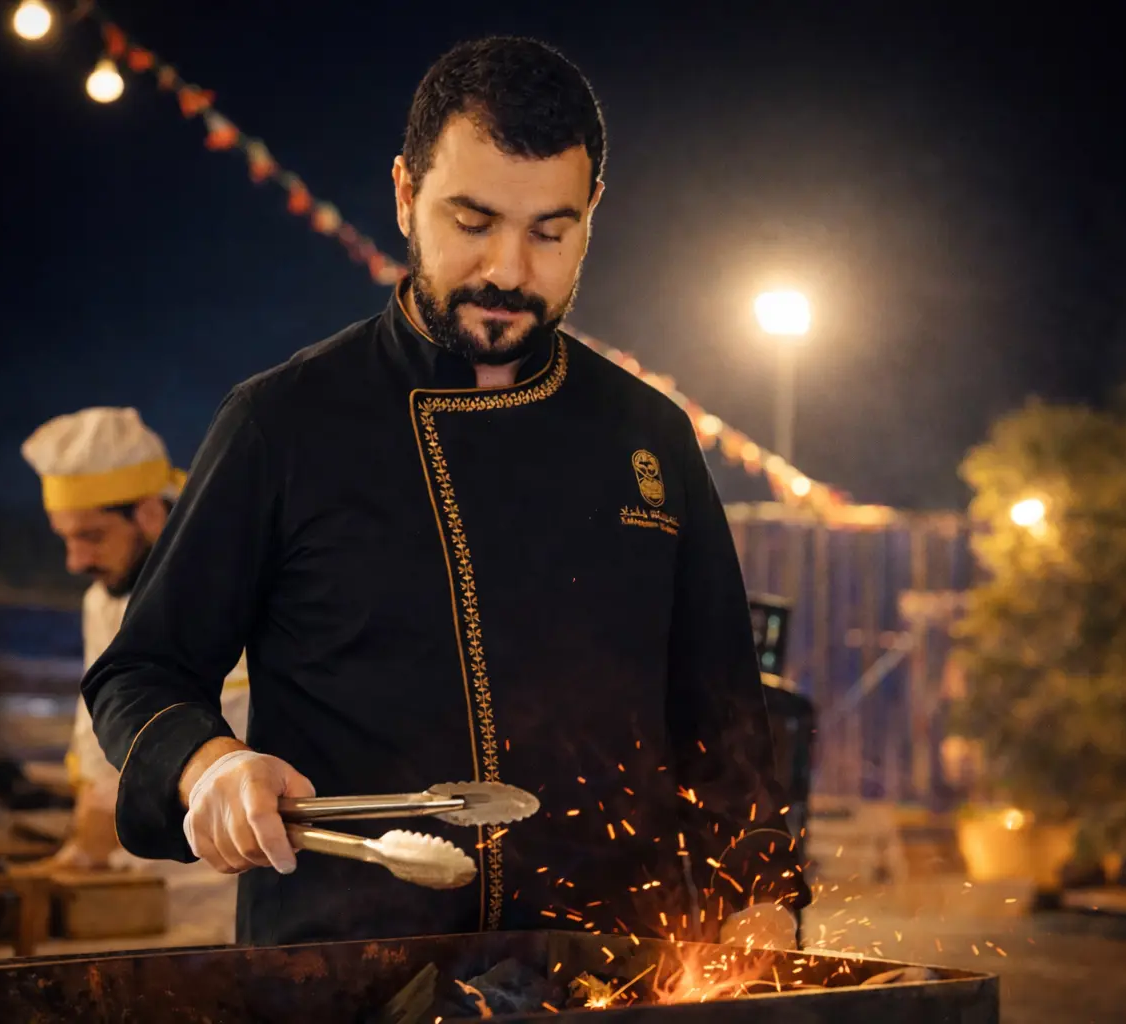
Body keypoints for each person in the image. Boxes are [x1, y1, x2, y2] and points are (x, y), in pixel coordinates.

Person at [84, 37, 807, 949]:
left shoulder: (650, 436)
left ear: (593, 211)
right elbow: (141, 671)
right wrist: (209, 765)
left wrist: (760, 895)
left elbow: (723, 711)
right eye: (472, 222)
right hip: (342, 968)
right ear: (403, 195)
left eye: (550, 232)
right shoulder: (285, 422)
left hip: (611, 972)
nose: (508, 269)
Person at [22, 406, 250, 943]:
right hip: (136, 887)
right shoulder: (102, 601)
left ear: (148, 514)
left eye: (92, 536)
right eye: (66, 538)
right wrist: (82, 851)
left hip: (231, 888)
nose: (76, 561)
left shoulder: (233, 579)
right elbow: (98, 734)